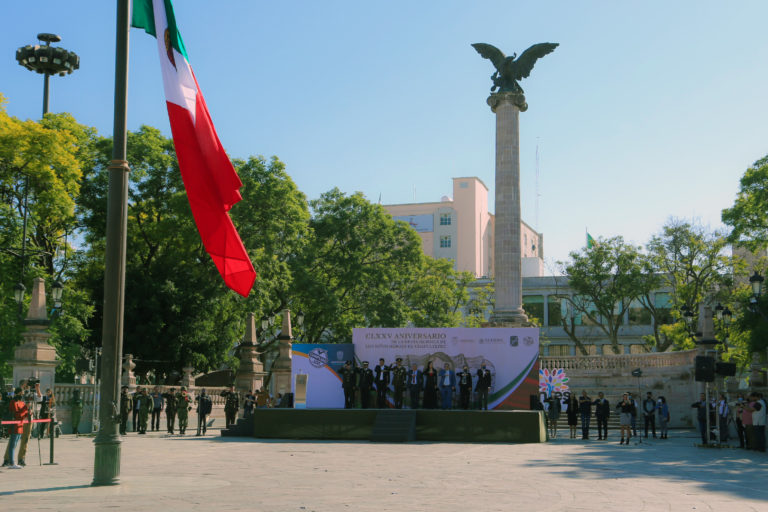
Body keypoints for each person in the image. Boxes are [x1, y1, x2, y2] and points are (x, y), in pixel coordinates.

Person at [6, 389, 29, 469]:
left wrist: (28, 411)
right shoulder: (13, 402)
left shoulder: (22, 402)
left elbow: (25, 414)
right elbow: (16, 414)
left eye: (22, 393)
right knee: (12, 445)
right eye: (20, 393)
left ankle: (12, 462)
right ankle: (11, 462)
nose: (21, 395)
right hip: (14, 425)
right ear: (16, 393)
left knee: (15, 444)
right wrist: (25, 411)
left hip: (20, 425)